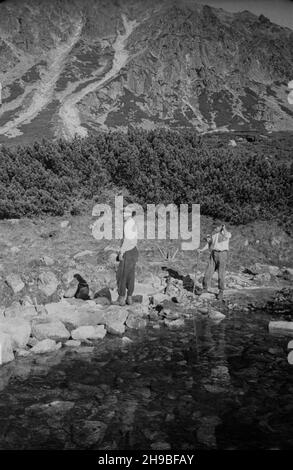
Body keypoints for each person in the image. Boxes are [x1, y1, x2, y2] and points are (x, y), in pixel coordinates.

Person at [198, 223, 231, 301]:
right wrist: (202, 250)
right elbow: (209, 244)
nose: (215, 228)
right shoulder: (214, 235)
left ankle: (221, 291)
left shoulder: (227, 234)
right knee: (208, 272)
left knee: (221, 274)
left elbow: (227, 235)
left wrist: (224, 228)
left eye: (217, 227)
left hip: (223, 254)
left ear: (220, 227)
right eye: (214, 227)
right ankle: (205, 288)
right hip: (214, 253)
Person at [114, 209, 138, 306]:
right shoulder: (133, 223)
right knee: (130, 275)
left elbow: (127, 240)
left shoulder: (128, 224)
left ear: (128, 215)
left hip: (128, 251)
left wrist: (121, 252)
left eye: (124, 214)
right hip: (134, 251)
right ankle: (129, 298)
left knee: (122, 274)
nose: (123, 215)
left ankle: (121, 298)